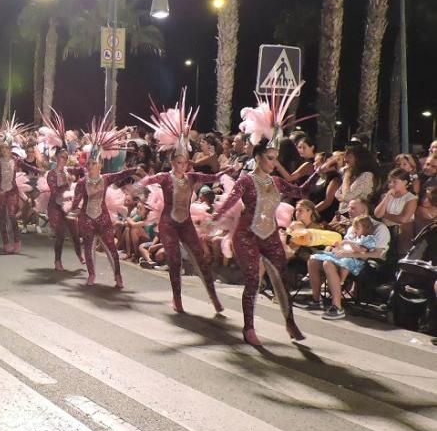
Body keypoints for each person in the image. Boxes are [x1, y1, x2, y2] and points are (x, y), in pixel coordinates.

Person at [213, 82, 315, 346]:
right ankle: (249, 328)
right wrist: (214, 221)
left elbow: (301, 191)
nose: (273, 162)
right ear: (258, 158)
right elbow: (229, 203)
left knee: (281, 278)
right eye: (270, 158)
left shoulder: (277, 183)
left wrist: (312, 169)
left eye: (275, 158)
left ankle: (290, 322)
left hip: (269, 234)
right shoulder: (246, 181)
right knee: (252, 281)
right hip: (246, 235)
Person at [133, 90, 226, 313]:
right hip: (168, 223)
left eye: (184, 162)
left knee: (201, 259)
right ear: (173, 162)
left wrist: (226, 171)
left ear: (187, 163)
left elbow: (211, 177)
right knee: (174, 261)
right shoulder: (165, 177)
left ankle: (214, 298)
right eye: (177, 162)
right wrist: (141, 182)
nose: (180, 165)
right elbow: (149, 179)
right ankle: (177, 299)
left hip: (185, 223)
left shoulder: (193, 177)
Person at [71, 116, 135, 288]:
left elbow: (122, 174)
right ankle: (91, 275)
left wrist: (135, 169)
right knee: (89, 247)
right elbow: (76, 202)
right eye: (88, 164)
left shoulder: (106, 179)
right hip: (86, 218)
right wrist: (72, 211)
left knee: (111, 249)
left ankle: (118, 276)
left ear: (99, 165)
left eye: (93, 164)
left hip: (103, 218)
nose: (90, 166)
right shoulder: (81, 183)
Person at [307, 215, 378, 320]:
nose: (349, 211)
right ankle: (316, 299)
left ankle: (337, 306)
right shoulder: (352, 232)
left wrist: (347, 248)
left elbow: (364, 251)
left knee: (327, 263)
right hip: (341, 256)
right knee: (313, 260)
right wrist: (337, 246)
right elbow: (342, 245)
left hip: (354, 261)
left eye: (353, 209)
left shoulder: (368, 238)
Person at [37, 109, 84, 270]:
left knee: (75, 234)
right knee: (60, 235)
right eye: (62, 157)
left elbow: (81, 171)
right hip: (55, 206)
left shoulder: (67, 171)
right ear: (57, 158)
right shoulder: (52, 173)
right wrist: (66, 185)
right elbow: (55, 191)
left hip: (67, 206)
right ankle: (57, 261)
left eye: (66, 157)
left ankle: (80, 254)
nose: (65, 159)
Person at [0, 117, 39, 254]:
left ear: (10, 148)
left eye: (6, 148)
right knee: (3, 218)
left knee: (12, 216)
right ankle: (5, 242)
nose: (4, 150)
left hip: (12, 191)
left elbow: (28, 166)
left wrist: (41, 171)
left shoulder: (16, 160)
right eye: (2, 148)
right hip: (1, 192)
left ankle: (17, 241)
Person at [374, 168, 418, 255]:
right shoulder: (385, 196)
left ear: (405, 182)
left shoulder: (411, 198)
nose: (391, 184)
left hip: (401, 234)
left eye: (395, 182)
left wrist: (385, 214)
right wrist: (386, 198)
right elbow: (377, 214)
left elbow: (403, 219)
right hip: (385, 231)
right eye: (390, 182)